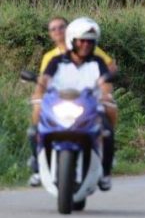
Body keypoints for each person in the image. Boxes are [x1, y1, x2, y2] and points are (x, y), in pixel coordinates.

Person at [31, 17, 117, 190]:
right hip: (59, 106)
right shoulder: (55, 61)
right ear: (73, 41)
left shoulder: (97, 62)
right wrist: (38, 93)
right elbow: (44, 80)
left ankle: (105, 172)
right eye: (81, 41)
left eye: (89, 42)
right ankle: (38, 167)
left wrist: (106, 94)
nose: (85, 45)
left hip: (88, 107)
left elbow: (105, 83)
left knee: (107, 131)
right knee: (34, 130)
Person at [40, 16, 117, 74]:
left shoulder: (87, 48)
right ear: (50, 34)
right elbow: (44, 81)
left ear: (69, 28)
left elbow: (111, 67)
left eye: (61, 27)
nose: (57, 31)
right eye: (53, 29)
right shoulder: (49, 57)